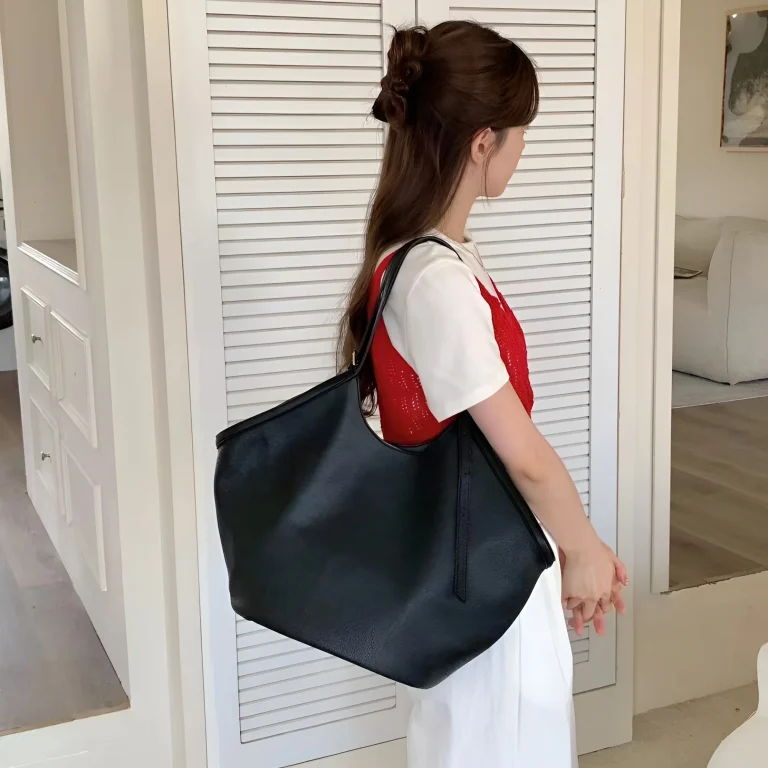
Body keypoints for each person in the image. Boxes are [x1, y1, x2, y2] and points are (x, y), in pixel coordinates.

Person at [339, 20, 628, 768]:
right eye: (520, 132)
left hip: (471, 557)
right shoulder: (434, 279)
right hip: (478, 567)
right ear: (482, 143)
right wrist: (583, 547)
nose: (523, 149)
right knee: (503, 740)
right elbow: (519, 454)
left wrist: (570, 549)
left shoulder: (430, 258)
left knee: (479, 736)